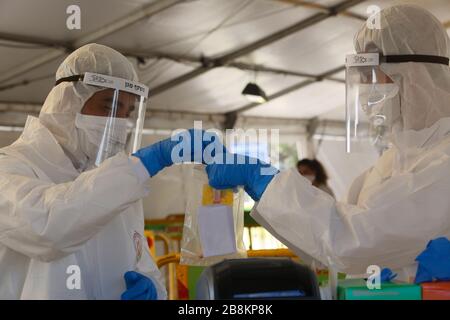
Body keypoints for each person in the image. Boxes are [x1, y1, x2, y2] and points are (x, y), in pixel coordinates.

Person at [206, 5, 450, 282]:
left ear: (412, 76)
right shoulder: (390, 162)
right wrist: (263, 189)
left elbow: (354, 239)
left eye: (371, 74)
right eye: (360, 75)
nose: (364, 87)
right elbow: (330, 242)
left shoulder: (444, 160)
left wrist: (265, 181)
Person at [0, 43, 214, 299]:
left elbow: (140, 262)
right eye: (108, 107)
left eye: (126, 111)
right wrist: (148, 162)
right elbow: (50, 227)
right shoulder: (11, 167)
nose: (118, 123)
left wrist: (153, 290)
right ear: (68, 101)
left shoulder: (118, 179)